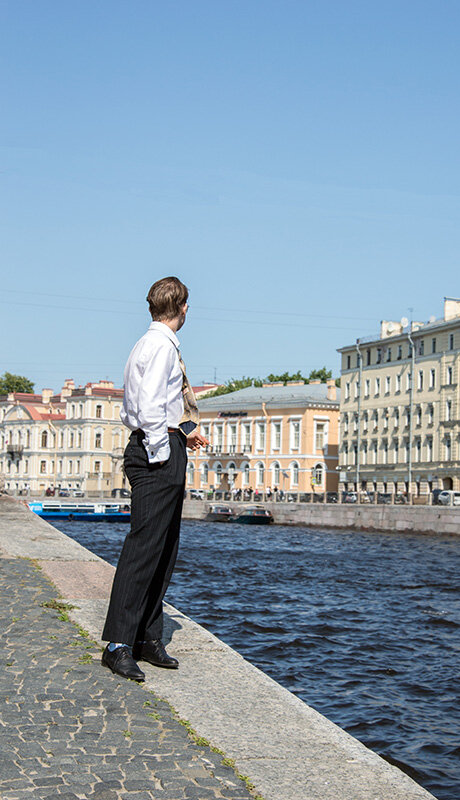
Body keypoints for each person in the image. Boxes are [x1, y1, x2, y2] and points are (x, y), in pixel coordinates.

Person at [101, 277, 208, 681]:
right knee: (144, 548)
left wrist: (184, 430)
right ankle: (118, 644)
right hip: (154, 454)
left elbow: (160, 406)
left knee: (164, 548)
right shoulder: (161, 346)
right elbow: (147, 408)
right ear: (182, 307)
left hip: (161, 445)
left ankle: (147, 637)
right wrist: (163, 454)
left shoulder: (150, 344)